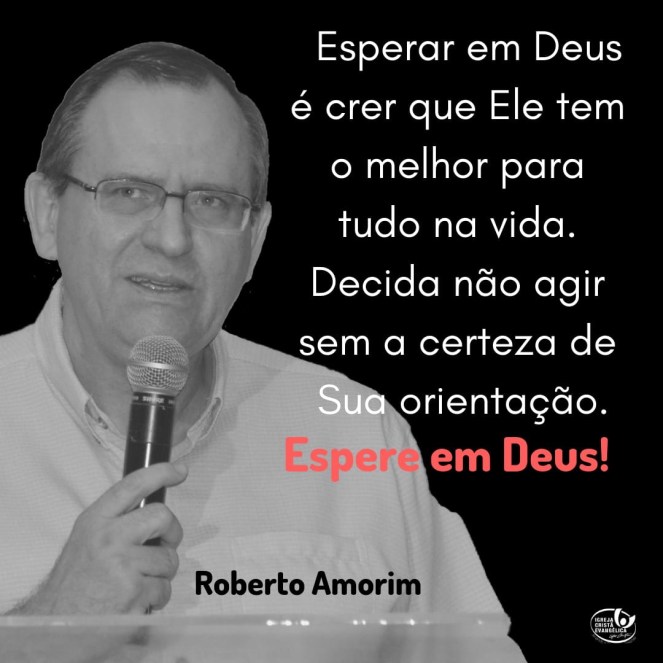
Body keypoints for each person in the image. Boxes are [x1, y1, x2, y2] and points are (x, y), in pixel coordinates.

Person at [0, 42, 505, 619]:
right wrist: (44, 627)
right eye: (128, 192)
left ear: (256, 240)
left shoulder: (357, 434)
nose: (172, 239)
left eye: (213, 202)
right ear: (47, 213)